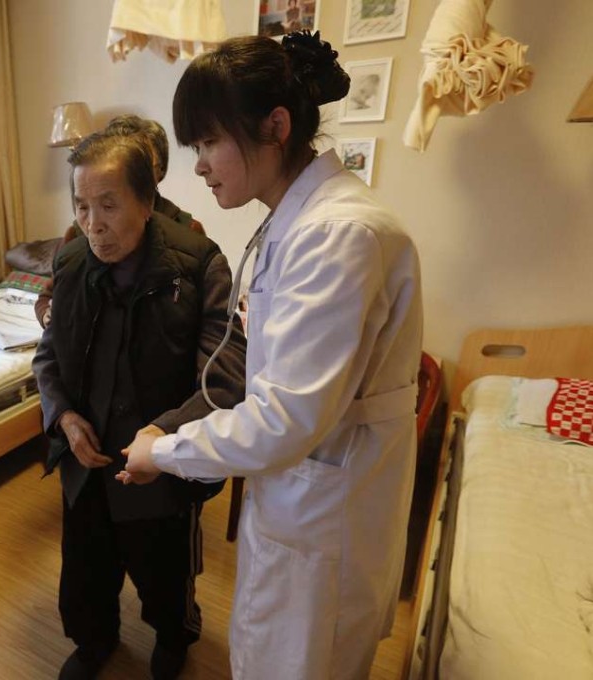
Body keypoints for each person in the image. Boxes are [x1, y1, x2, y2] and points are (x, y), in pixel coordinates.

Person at [119, 31, 423, 679]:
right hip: (300, 501)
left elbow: (284, 418)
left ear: (275, 126)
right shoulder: (297, 223)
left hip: (322, 520)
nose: (198, 165)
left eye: (207, 142)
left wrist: (163, 452)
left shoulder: (337, 234)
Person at [32, 131, 245, 680]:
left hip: (160, 467)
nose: (93, 223)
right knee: (84, 572)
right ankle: (93, 641)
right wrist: (62, 415)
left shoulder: (198, 264)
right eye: (82, 206)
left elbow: (223, 377)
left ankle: (174, 637)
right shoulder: (71, 261)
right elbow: (47, 355)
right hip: (86, 460)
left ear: (147, 203)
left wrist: (163, 436)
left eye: (108, 205)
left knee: (165, 575)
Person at [33, 114, 204, 328]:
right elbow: (49, 297)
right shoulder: (79, 235)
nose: (95, 226)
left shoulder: (187, 233)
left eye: (141, 162)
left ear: (159, 171)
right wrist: (50, 319)